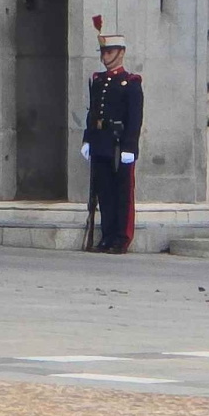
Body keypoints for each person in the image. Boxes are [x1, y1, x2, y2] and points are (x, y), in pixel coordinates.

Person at [80, 16, 143, 254]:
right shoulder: (98, 81)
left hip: (119, 144)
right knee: (103, 191)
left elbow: (134, 119)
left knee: (122, 193)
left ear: (121, 53)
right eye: (103, 53)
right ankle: (106, 236)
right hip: (101, 142)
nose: (105, 57)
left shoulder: (131, 83)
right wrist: (87, 139)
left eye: (109, 52)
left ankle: (121, 237)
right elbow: (93, 110)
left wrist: (130, 147)